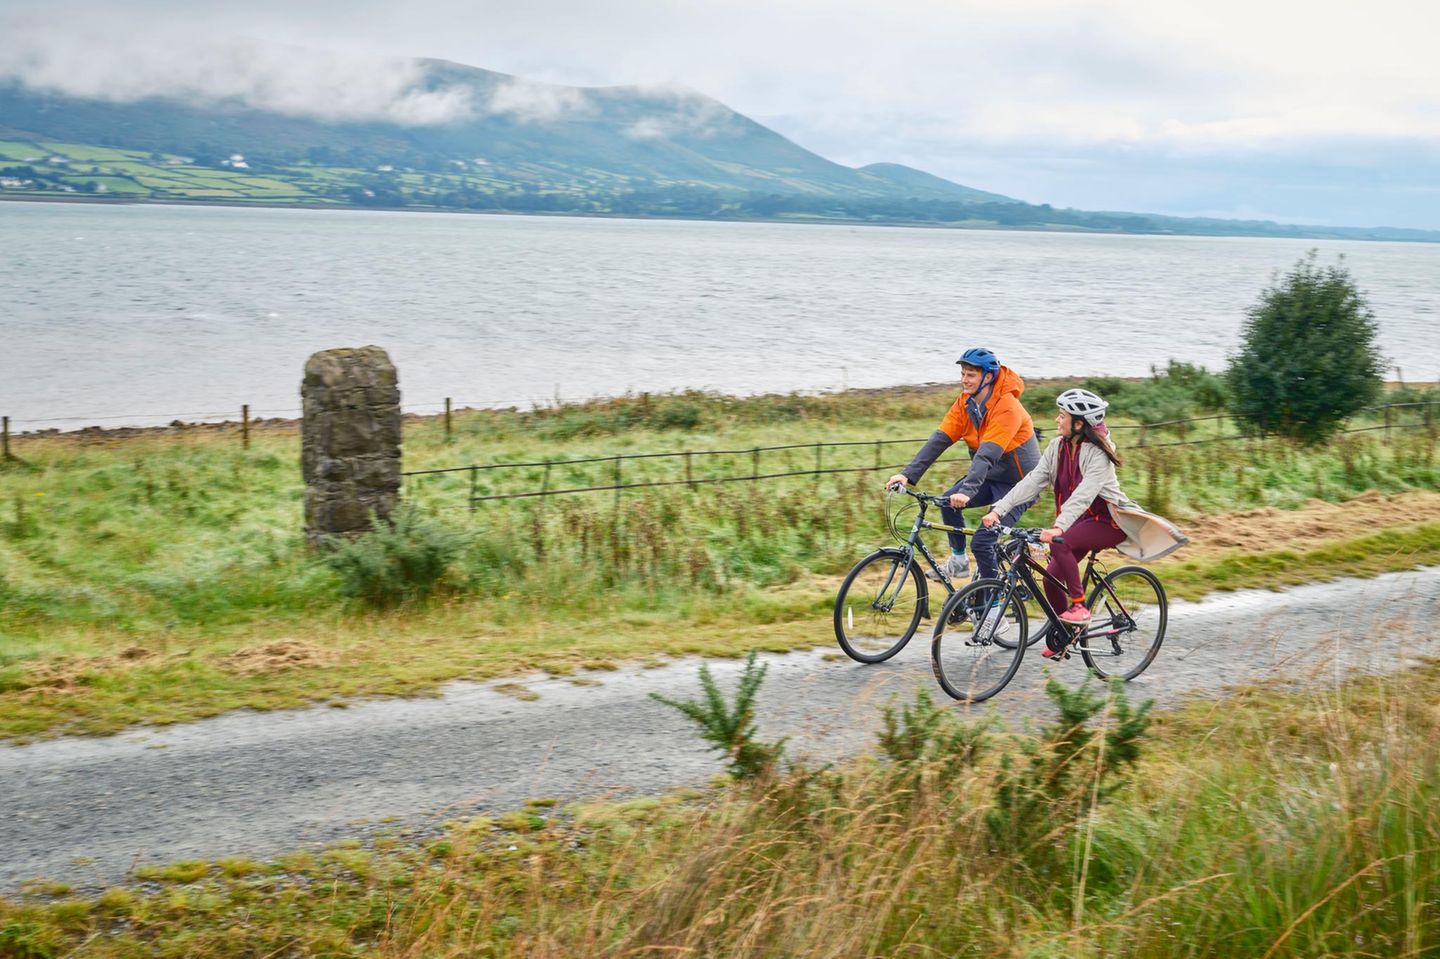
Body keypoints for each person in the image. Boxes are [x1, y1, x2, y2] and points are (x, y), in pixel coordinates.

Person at [981, 387, 1188, 656]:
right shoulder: (1057, 447)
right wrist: (998, 510)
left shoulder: (1099, 455)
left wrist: (1058, 527)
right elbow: (1032, 481)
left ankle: (1079, 606)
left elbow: (1083, 495)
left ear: (1079, 424)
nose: (1057, 419)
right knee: (1050, 580)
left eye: (1062, 416)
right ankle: (1067, 633)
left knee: (1060, 542)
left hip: (1108, 522)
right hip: (1079, 522)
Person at [886, 347, 1040, 583]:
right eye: (963, 374)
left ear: (988, 377)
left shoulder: (1007, 406)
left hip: (1021, 484)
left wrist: (967, 491)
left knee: (982, 542)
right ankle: (958, 562)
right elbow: (940, 439)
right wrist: (907, 475)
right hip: (993, 477)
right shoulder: (966, 403)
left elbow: (987, 454)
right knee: (948, 503)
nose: (964, 380)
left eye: (971, 375)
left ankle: (991, 601)